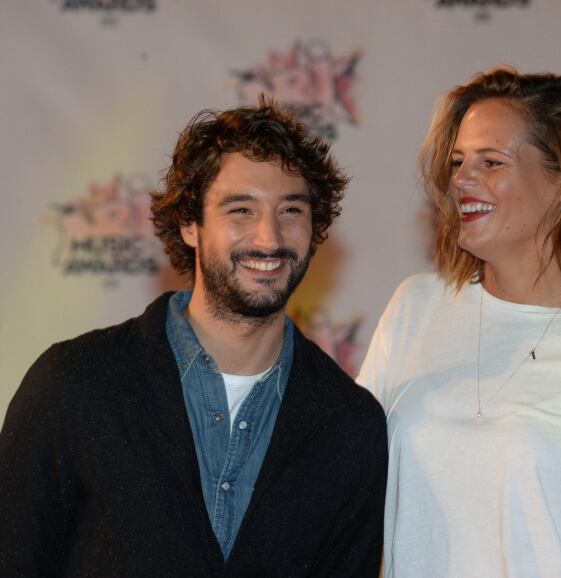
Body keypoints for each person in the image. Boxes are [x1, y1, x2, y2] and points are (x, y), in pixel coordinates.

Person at [0, 99, 388, 576]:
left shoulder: (352, 426)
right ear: (190, 224)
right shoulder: (74, 385)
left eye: (291, 209)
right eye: (241, 210)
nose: (269, 238)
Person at [358, 67, 561, 577]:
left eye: (491, 161)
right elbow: (341, 487)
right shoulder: (416, 308)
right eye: (457, 161)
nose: (459, 179)